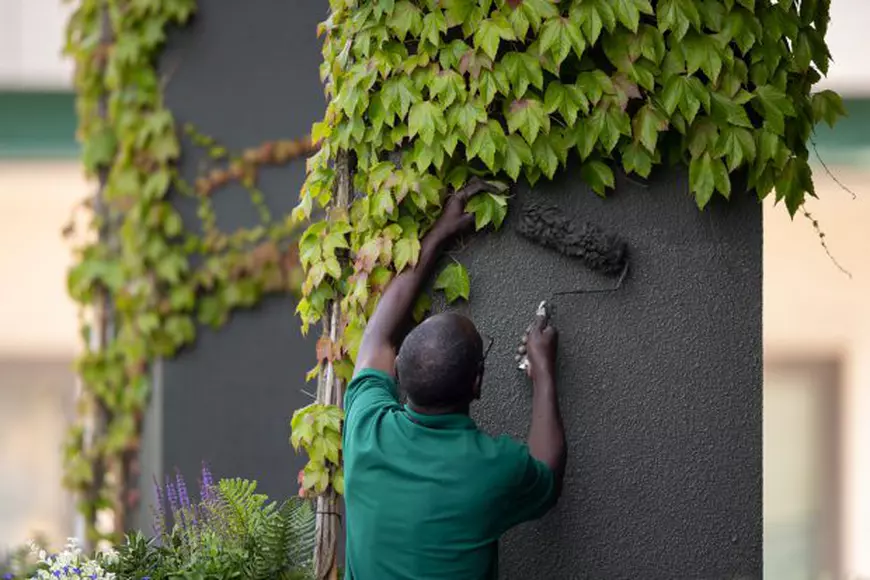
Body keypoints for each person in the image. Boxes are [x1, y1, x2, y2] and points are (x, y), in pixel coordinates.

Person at [342, 178, 567, 580]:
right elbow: (547, 473)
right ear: (477, 384)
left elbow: (376, 335)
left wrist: (438, 235)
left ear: (398, 378)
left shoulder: (365, 430)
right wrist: (545, 372)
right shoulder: (490, 468)